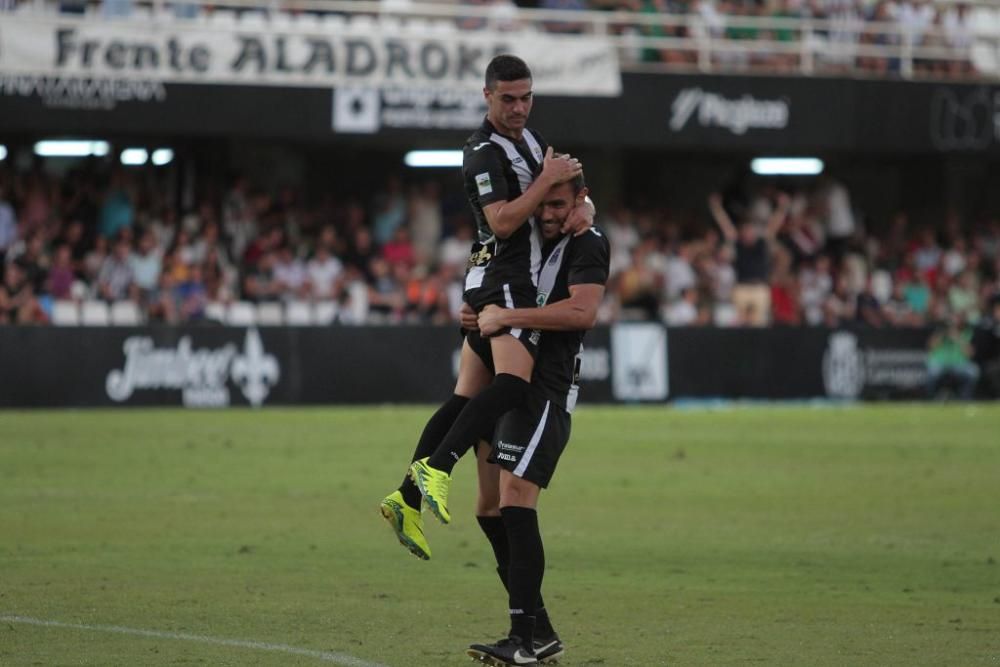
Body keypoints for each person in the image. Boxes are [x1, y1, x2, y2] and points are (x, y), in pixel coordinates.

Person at [378, 54, 589, 559]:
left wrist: (582, 202)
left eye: (526, 97)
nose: (519, 108)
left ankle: (407, 496)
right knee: (512, 386)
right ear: (487, 96)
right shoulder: (482, 153)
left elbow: (557, 194)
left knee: (466, 397)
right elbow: (502, 222)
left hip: (491, 280)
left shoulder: (531, 142)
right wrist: (545, 181)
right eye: (508, 99)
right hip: (505, 279)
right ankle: (436, 468)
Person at [464, 173, 610, 666]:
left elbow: (582, 312)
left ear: (581, 201)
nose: (548, 215)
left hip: (546, 390)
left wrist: (510, 318)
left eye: (560, 205)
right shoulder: (533, 238)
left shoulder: (589, 242)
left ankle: (523, 638)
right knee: (488, 507)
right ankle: (539, 629)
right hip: (514, 380)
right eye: (542, 205)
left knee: (515, 502)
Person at [926, 313, 979, 400]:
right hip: (940, 362)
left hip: (959, 364)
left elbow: (970, 353)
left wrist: (957, 337)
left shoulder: (967, 332)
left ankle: (965, 398)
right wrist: (942, 335)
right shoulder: (940, 331)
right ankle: (931, 399)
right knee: (932, 372)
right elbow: (930, 347)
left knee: (973, 371)